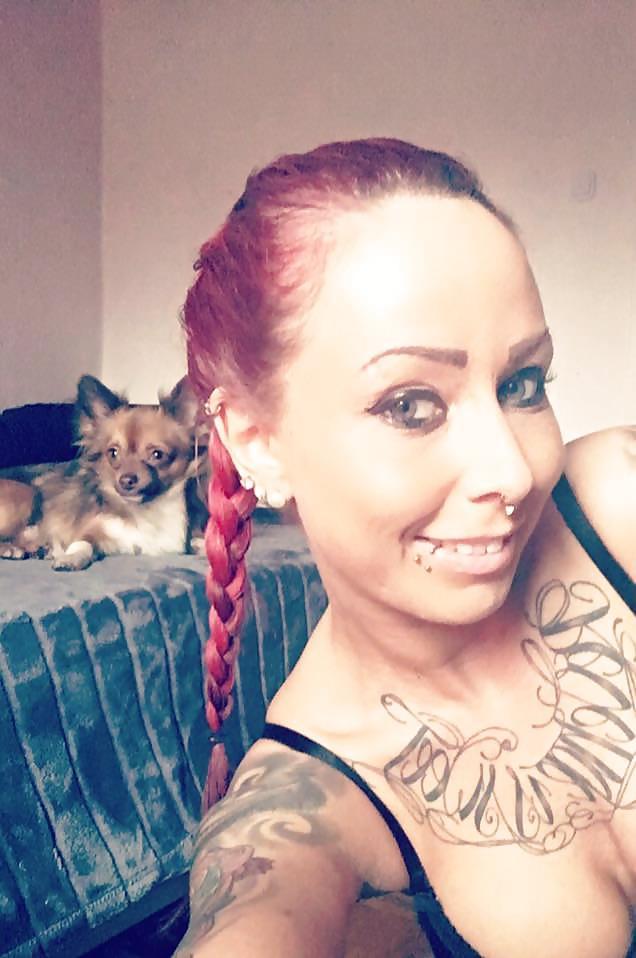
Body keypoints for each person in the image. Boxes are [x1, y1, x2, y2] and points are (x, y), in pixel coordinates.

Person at [175, 138, 636, 957]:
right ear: (256, 441)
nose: (512, 471)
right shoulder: (302, 803)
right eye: (410, 405)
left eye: (522, 385)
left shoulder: (614, 502)